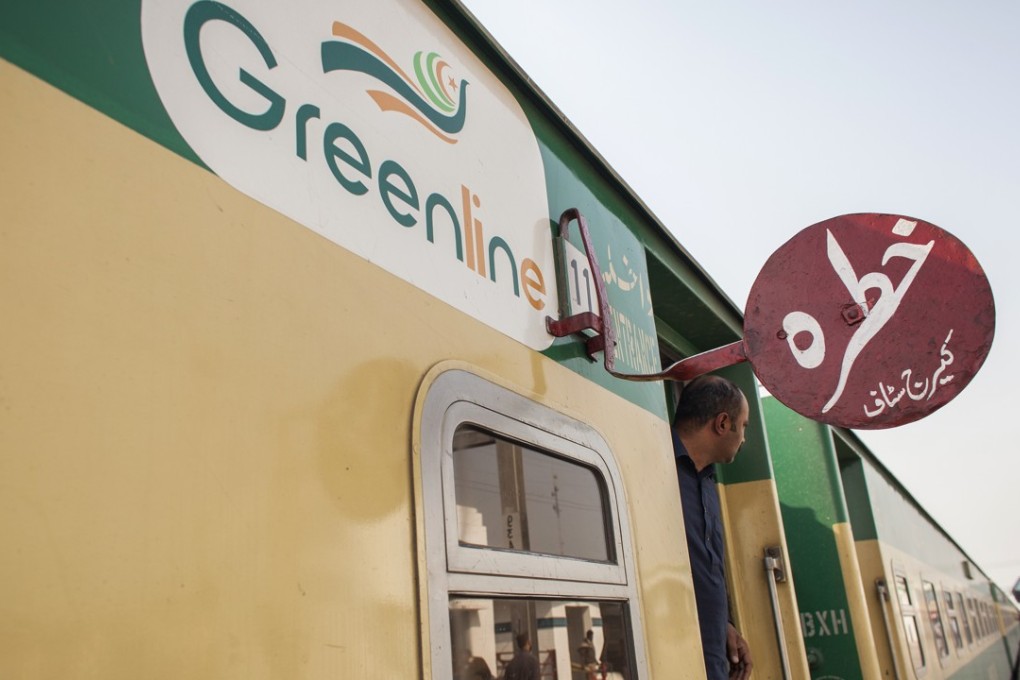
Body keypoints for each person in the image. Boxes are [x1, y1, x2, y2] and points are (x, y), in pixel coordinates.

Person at [673, 375, 754, 680]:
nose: (744, 438)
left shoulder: (708, 482)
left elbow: (706, 569)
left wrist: (726, 626)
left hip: (715, 660)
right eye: (743, 426)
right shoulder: (657, 464)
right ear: (722, 424)